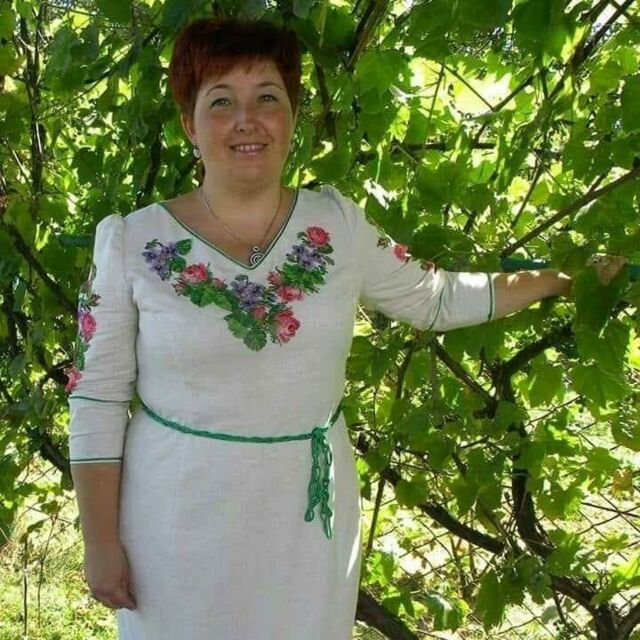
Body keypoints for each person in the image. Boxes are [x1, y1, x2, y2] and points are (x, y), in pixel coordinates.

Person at [65, 16, 629, 640]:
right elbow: (97, 396)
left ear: (293, 118)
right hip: (175, 517)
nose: (247, 120)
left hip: (307, 519)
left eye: (268, 98)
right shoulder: (133, 241)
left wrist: (562, 278)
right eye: (221, 101)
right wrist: (100, 541)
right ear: (189, 125)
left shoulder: (336, 226)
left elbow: (437, 298)